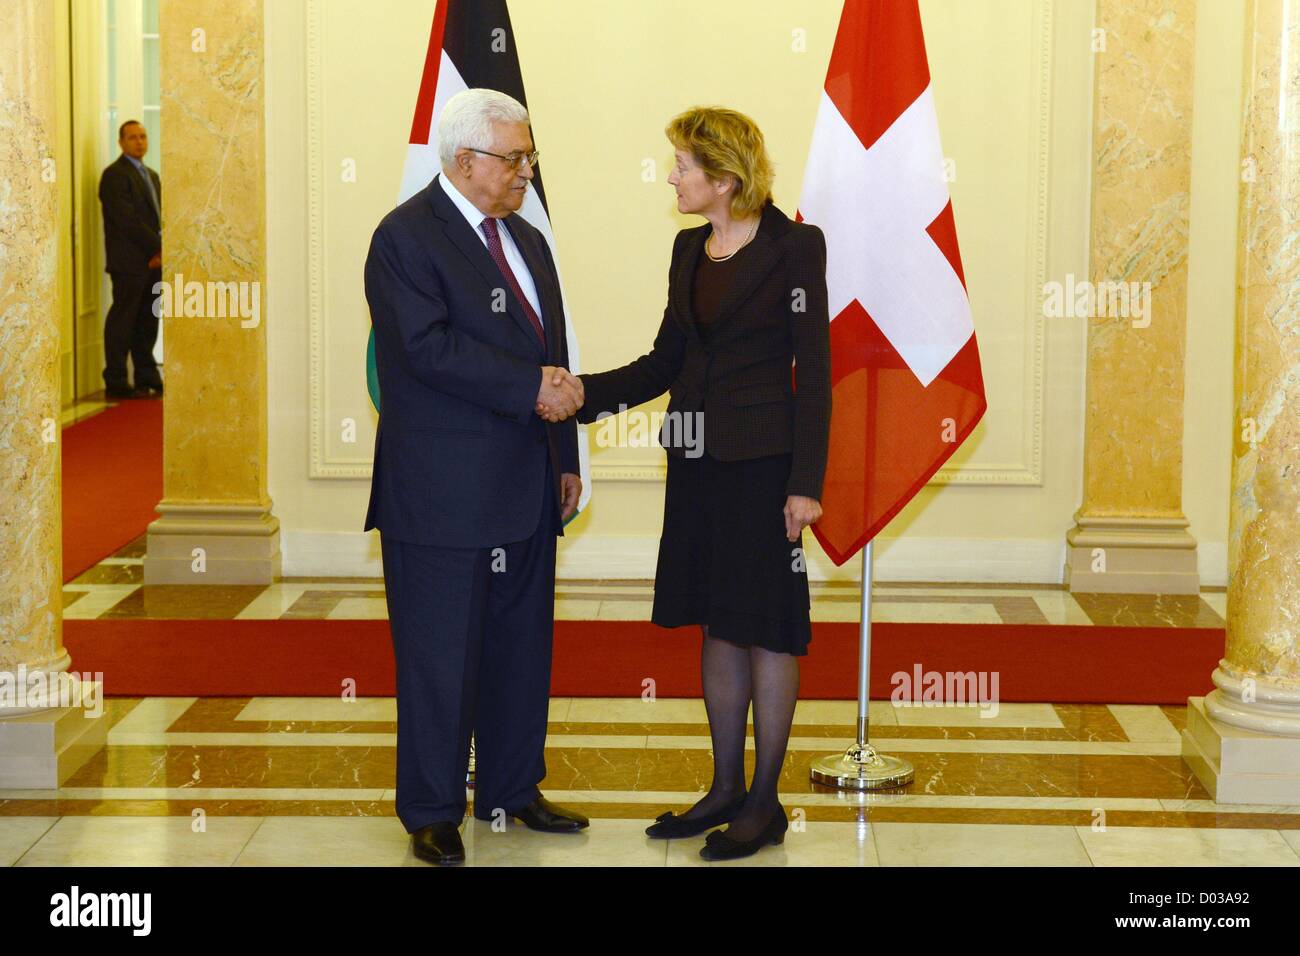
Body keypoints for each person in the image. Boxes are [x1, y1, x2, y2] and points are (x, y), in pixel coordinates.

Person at [540, 106, 831, 861]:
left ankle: (765, 803)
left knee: (765, 624)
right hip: (698, 464)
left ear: (725, 178)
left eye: (683, 166)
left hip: (767, 472)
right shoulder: (686, 250)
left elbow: (818, 372)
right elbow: (668, 359)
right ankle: (725, 787)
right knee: (716, 618)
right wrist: (583, 394)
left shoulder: (795, 247)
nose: (672, 176)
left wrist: (807, 482)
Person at [363, 88, 589, 866]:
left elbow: (549, 352)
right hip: (441, 497)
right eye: (515, 157)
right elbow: (427, 350)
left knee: (522, 649)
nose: (528, 170)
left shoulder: (527, 239)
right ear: (464, 160)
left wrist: (564, 459)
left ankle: (511, 787)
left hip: (526, 487)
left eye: (529, 155)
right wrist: (531, 390)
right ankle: (430, 809)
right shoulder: (404, 239)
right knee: (438, 658)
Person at [98, 120, 164, 399]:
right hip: (129, 263)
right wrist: (159, 247)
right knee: (123, 321)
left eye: (143, 136)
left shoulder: (152, 175)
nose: (139, 142)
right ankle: (115, 379)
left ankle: (146, 376)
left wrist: (160, 253)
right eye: (133, 137)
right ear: (121, 142)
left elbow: (157, 217)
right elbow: (127, 222)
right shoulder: (114, 175)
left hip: (154, 261)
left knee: (148, 321)